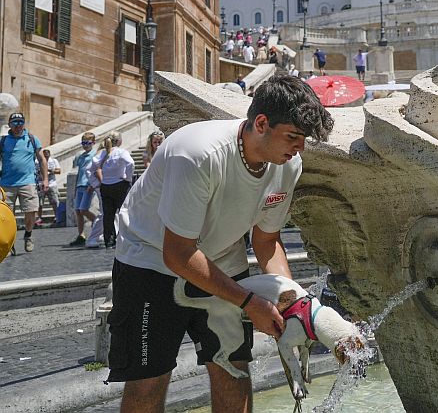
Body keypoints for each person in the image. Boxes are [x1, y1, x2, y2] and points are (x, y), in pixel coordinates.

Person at [106, 75, 332, 412]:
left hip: (223, 259)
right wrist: (250, 302)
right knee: (149, 381)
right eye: (292, 137)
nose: (299, 149)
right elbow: (178, 255)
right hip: (150, 261)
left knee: (233, 371)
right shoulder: (198, 154)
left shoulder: (288, 164)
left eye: (304, 140)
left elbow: (267, 241)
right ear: (261, 123)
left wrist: (291, 301)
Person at [0, 113, 47, 253]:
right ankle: (10, 241)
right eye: (14, 122)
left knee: (31, 210)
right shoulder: (3, 141)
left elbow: (42, 160)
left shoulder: (32, 139)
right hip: (7, 183)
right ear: (9, 125)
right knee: (5, 216)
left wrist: (45, 179)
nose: (18, 125)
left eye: (20, 122)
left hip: (28, 182)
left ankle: (28, 235)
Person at [88, 131, 135, 249]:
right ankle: (126, 238)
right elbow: (130, 163)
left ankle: (109, 240)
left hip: (105, 186)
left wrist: (96, 183)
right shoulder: (121, 152)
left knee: (108, 215)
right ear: (119, 141)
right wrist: (127, 178)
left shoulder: (102, 153)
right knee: (124, 212)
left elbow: (90, 169)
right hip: (120, 185)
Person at [69, 132, 98, 247]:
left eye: (88, 143)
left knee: (83, 210)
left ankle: (97, 223)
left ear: (93, 143)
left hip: (88, 185)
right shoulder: (80, 156)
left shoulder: (95, 155)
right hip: (80, 185)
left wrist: (93, 184)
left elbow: (96, 170)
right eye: (83, 143)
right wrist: (76, 187)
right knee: (77, 211)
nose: (85, 145)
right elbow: (79, 172)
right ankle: (81, 235)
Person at [42, 149, 63, 227]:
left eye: (47, 154)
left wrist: (51, 171)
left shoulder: (54, 161)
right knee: (40, 203)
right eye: (45, 154)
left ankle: (57, 216)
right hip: (41, 184)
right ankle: (39, 218)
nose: (46, 155)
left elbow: (59, 171)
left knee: (55, 201)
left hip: (52, 184)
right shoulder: (38, 162)